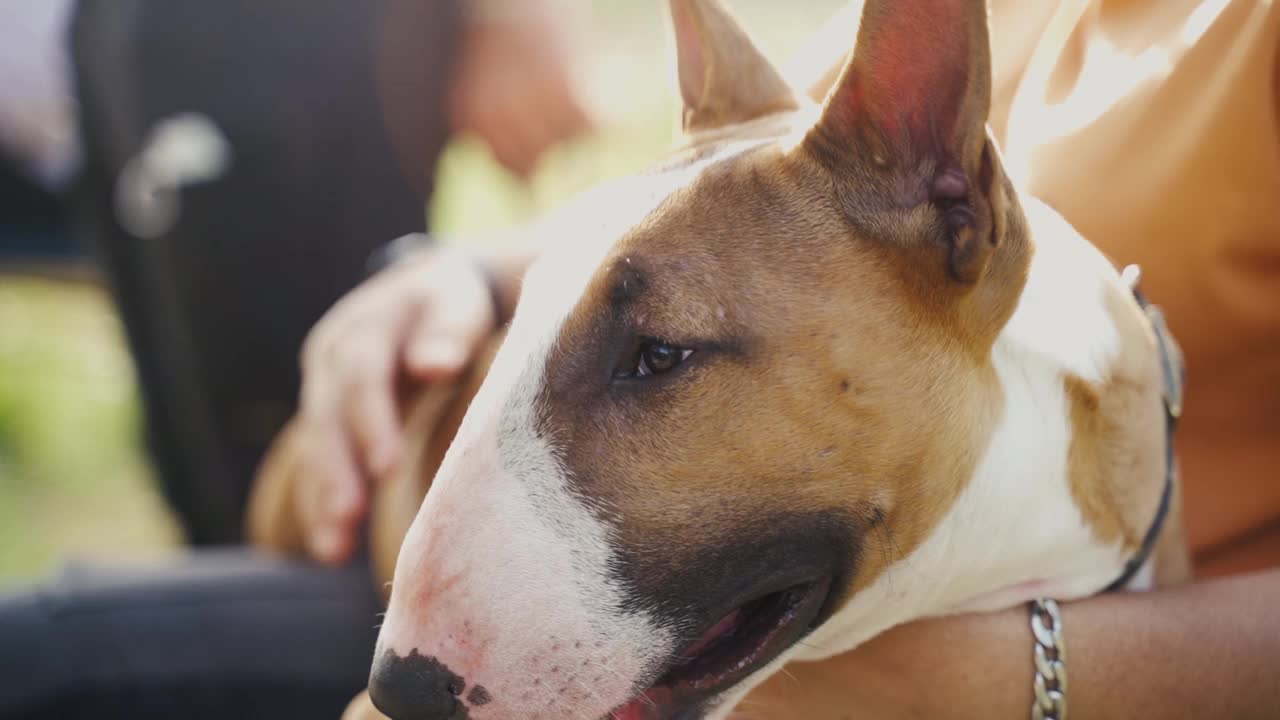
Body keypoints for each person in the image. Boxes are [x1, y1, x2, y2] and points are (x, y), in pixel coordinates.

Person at [291, 0, 1280, 716]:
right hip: (362, 550)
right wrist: (467, 273)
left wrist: (1013, 678)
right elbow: (745, 183)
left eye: (656, 355)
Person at [0, 0, 593, 718]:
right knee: (207, 481)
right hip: (117, 33)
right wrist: (462, 268)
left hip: (279, 37)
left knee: (308, 500)